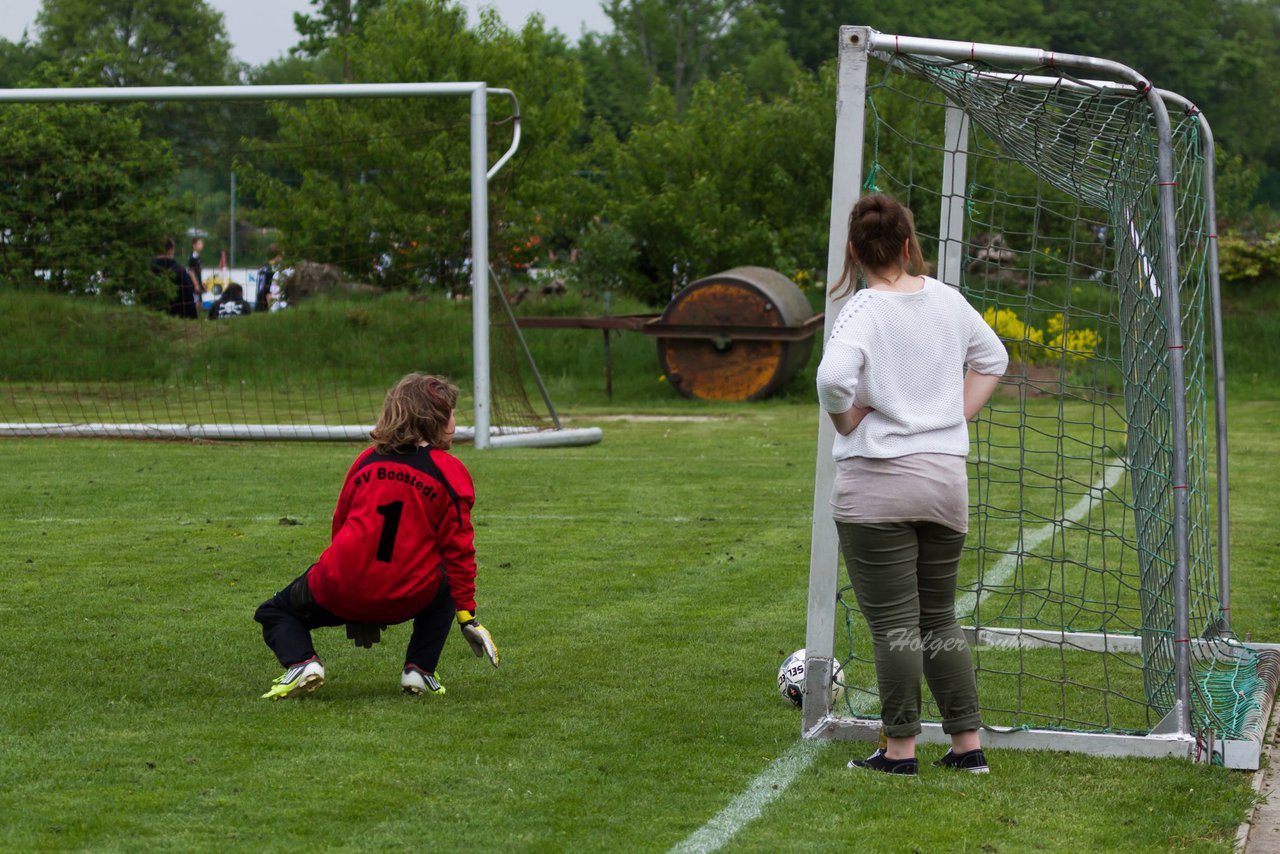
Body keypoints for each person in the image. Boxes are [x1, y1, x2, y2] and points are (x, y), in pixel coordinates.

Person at [815, 193, 1008, 776]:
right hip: (944, 483)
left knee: (895, 627)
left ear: (854, 251)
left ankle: (899, 750)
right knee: (938, 618)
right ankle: (967, 746)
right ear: (907, 244)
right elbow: (993, 358)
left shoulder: (862, 309)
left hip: (877, 489)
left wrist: (848, 421)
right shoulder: (949, 301)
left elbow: (831, 380)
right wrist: (952, 418)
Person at [253, 373, 499, 700]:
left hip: (339, 586)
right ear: (435, 420)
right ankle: (420, 670)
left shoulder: (366, 460)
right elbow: (459, 553)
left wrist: (351, 608)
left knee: (275, 611)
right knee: (444, 581)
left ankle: (302, 662)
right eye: (451, 413)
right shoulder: (449, 471)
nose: (455, 420)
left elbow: (340, 526)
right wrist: (467, 616)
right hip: (405, 596)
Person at [152, 237, 198, 319]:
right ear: (170, 250)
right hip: (177, 316)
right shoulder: (178, 271)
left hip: (151, 315)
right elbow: (188, 297)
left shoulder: (147, 270)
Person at [255, 244, 283, 313]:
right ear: (278, 256)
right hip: (268, 295)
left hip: (260, 296)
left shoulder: (264, 266)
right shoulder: (275, 268)